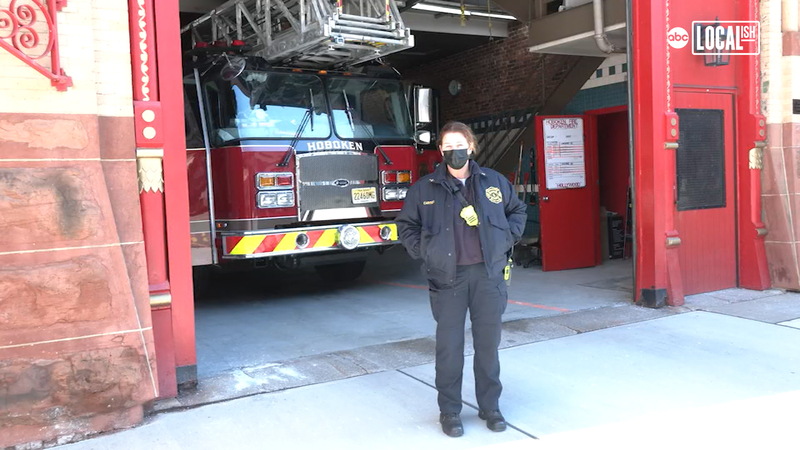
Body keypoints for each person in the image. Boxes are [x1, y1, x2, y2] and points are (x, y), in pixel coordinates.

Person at [396, 121, 528, 437]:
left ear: (471, 146)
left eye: (459, 144)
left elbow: (518, 211)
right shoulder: (424, 189)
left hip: (488, 277)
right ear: (441, 151)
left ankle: (490, 407)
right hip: (447, 280)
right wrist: (428, 252)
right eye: (447, 146)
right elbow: (406, 227)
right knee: (449, 348)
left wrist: (506, 239)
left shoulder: (493, 182)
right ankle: (450, 411)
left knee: (487, 346)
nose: (454, 151)